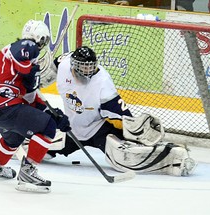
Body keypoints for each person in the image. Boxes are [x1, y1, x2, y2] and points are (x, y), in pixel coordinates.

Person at [39, 46, 196, 176]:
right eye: (83, 67)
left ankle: (172, 153)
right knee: (40, 148)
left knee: (123, 158)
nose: (87, 72)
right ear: (73, 65)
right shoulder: (64, 63)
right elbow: (49, 70)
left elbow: (121, 116)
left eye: (90, 67)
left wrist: (135, 132)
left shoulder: (102, 82)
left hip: (97, 128)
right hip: (71, 128)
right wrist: (35, 79)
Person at [0, 19, 71, 193]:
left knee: (15, 137)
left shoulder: (16, 60)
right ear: (41, 38)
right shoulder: (27, 47)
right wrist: (29, 69)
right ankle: (28, 172)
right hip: (4, 106)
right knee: (47, 127)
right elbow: (23, 50)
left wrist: (52, 113)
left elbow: (30, 98)